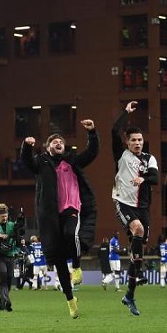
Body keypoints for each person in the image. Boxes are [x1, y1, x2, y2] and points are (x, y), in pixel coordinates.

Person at [20, 117, 98, 319]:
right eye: (54, 141)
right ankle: (71, 301)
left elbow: (91, 153)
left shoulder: (72, 160)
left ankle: (78, 265)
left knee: (72, 234)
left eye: (60, 141)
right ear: (47, 148)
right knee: (59, 261)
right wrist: (27, 147)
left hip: (71, 208)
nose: (58, 142)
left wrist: (92, 133)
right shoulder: (42, 163)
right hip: (50, 217)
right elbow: (27, 162)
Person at [111, 101, 159, 316]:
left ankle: (129, 295)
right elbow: (113, 131)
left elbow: (156, 178)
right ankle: (137, 274)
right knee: (137, 229)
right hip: (124, 203)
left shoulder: (150, 159)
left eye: (140, 140)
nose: (138, 143)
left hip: (144, 207)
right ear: (127, 142)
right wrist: (126, 113)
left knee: (137, 255)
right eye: (134, 140)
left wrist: (143, 178)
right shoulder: (121, 155)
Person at [0, 204, 24, 311]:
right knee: (2, 279)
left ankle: (2, 302)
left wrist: (18, 246)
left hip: (11, 256)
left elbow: (18, 241)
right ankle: (7, 301)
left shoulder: (13, 225)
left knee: (8, 280)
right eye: (2, 216)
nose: (4, 217)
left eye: (6, 215)